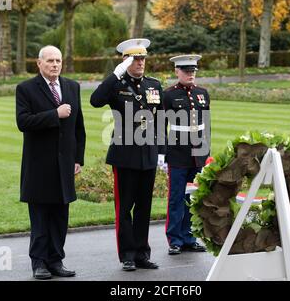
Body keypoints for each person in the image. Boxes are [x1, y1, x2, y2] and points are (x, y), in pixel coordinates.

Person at [90, 38, 165, 271]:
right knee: (125, 209)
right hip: (125, 155)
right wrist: (115, 75)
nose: (140, 63)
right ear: (125, 60)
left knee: (144, 208)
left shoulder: (153, 85)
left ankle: (142, 253)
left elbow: (161, 120)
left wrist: (161, 152)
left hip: (148, 155)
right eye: (135, 58)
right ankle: (128, 254)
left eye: (143, 58)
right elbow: (95, 100)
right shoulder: (116, 85)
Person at [16, 45, 86, 279]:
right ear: (39, 63)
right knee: (40, 217)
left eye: (58, 60)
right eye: (50, 61)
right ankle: (39, 263)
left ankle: (56, 261)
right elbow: (23, 122)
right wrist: (54, 114)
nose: (55, 64)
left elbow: (79, 128)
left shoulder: (71, 87)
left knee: (59, 217)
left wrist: (78, 159)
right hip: (38, 166)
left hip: (65, 165)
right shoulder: (26, 89)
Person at [163, 55, 210, 255]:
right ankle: (175, 239)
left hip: (197, 154)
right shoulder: (168, 95)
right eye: (186, 71)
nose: (190, 74)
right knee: (176, 197)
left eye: (192, 71)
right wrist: (161, 153)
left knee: (193, 198)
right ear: (177, 71)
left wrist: (206, 153)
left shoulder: (202, 93)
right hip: (178, 153)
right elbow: (160, 125)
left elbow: (206, 125)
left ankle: (189, 237)